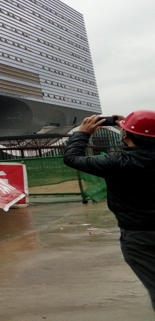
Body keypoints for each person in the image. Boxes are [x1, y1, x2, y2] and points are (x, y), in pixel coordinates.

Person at [64, 111, 155, 311]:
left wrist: (82, 134)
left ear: (125, 135)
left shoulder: (116, 162)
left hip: (139, 236)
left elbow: (72, 158)